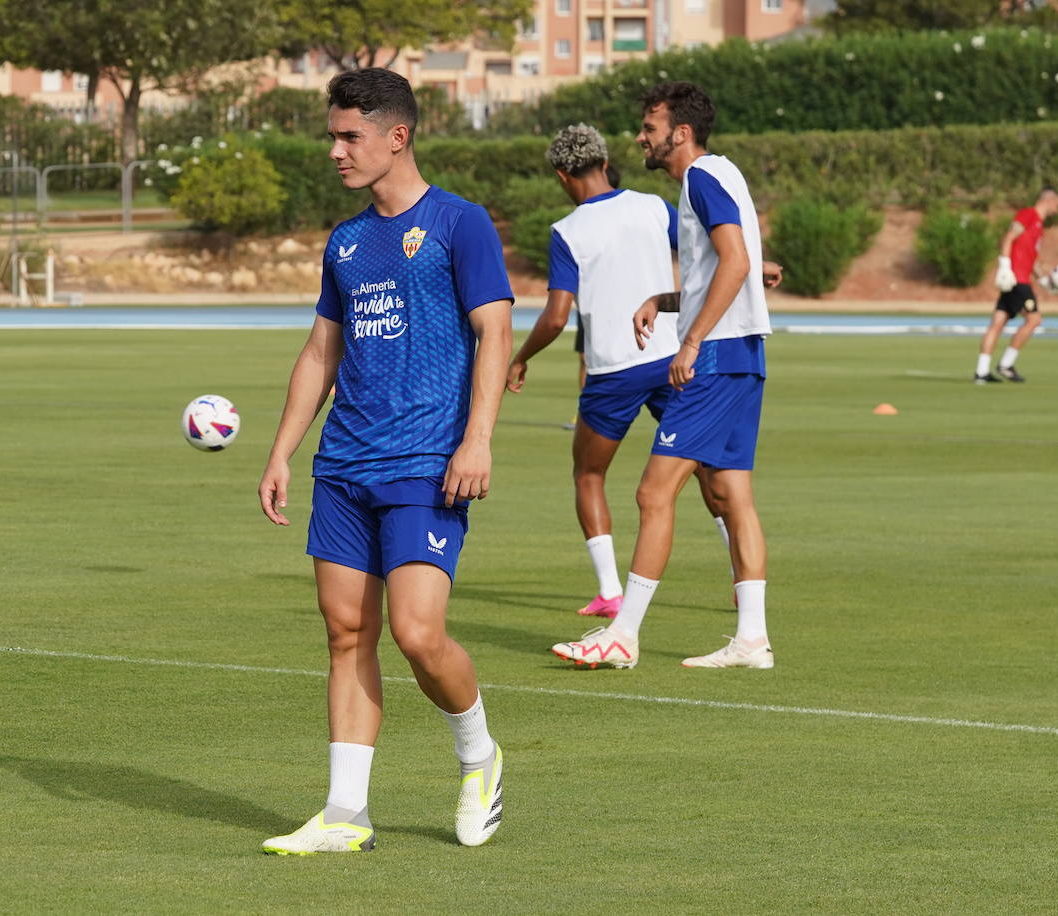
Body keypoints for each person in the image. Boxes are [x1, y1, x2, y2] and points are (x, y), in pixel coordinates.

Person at [257, 68, 513, 854]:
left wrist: (478, 438)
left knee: (417, 632)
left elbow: (495, 333)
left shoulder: (458, 224)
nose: (335, 151)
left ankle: (478, 753)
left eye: (349, 136)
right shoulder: (345, 241)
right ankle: (345, 814)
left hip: (427, 462)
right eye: (333, 135)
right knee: (344, 633)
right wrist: (282, 453)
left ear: (396, 136)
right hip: (344, 465)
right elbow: (320, 352)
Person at [551, 80, 775, 670]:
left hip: (718, 357)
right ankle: (752, 638)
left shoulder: (700, 177)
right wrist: (664, 298)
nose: (639, 138)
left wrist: (692, 339)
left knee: (653, 491)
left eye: (648, 128)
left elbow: (736, 260)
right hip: (746, 355)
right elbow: (732, 265)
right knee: (731, 494)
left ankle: (622, 633)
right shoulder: (721, 175)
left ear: (679, 132)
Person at [506, 123, 737, 620]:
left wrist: (520, 357)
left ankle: (611, 591)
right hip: (672, 357)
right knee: (706, 468)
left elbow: (555, 316)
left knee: (588, 473)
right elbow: (707, 250)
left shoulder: (567, 232)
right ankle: (743, 580)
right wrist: (757, 265)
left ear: (563, 175)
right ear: (604, 162)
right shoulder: (652, 206)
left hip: (613, 371)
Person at [976, 186, 1058, 384]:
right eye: (1057, 203)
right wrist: (1004, 266)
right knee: (1034, 319)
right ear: (1048, 200)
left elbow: (1032, 259)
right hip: (1017, 280)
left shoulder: (1038, 225)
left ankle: (981, 372)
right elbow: (1008, 238)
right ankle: (1006, 364)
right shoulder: (1028, 215)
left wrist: (1044, 281)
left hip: (1020, 278)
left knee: (997, 322)